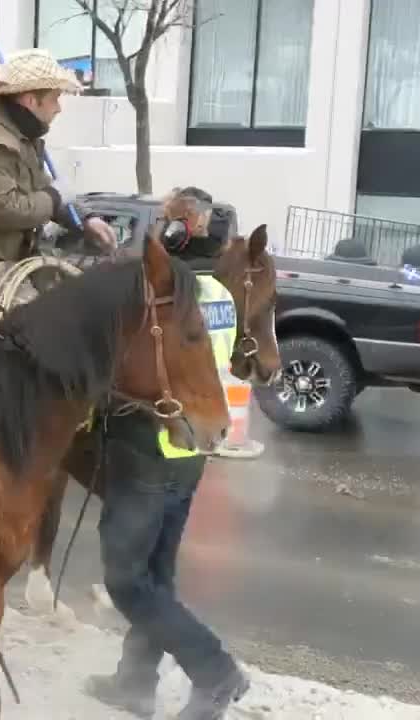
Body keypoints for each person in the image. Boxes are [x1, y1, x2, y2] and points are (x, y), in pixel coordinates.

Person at [83, 205, 250, 720]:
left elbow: (150, 366)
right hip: (190, 452)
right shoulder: (220, 295)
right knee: (156, 574)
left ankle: (215, 671)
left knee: (127, 581)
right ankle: (135, 682)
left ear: (175, 238)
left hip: (150, 445)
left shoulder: (169, 300)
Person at [0, 48, 115, 322]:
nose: (59, 108)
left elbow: (43, 187)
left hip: (14, 259)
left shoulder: (19, 139)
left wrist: (86, 218)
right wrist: (54, 197)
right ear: (31, 100)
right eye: (54, 99)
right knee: (40, 327)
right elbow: (7, 211)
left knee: (80, 310)